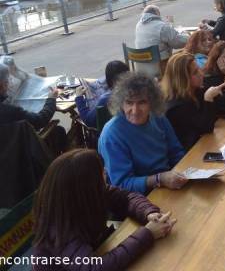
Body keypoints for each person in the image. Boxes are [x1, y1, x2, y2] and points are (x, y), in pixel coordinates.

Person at [32, 149, 177, 271]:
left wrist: (149, 213)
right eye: (101, 172)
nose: (106, 173)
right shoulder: (60, 230)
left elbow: (126, 198)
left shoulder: (85, 194)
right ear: (85, 185)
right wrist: (148, 234)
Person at [98, 73, 187, 194]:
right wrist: (159, 179)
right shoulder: (112, 134)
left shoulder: (158, 117)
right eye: (129, 102)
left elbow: (176, 152)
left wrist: (186, 172)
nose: (135, 111)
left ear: (152, 102)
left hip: (170, 183)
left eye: (142, 102)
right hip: (140, 199)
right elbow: (122, 184)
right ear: (120, 104)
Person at [0, 63, 67, 155]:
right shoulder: (11, 111)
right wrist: (51, 99)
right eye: (7, 82)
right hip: (20, 154)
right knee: (59, 131)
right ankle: (62, 166)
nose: (8, 85)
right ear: (1, 86)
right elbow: (40, 120)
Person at [162, 52, 225, 151]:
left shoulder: (193, 90)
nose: (201, 73)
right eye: (195, 72)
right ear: (183, 79)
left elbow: (223, 109)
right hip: (186, 155)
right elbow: (206, 128)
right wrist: (208, 99)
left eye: (199, 69)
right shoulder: (177, 107)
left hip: (199, 146)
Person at [134, 5, 188, 76]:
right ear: (157, 13)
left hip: (140, 67)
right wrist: (188, 35)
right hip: (158, 66)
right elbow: (178, 43)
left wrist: (170, 25)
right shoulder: (161, 26)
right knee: (183, 59)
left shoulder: (138, 25)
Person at [75, 60, 129, 128]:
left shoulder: (106, 99)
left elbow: (88, 120)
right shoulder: (136, 90)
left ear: (110, 80)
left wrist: (79, 98)